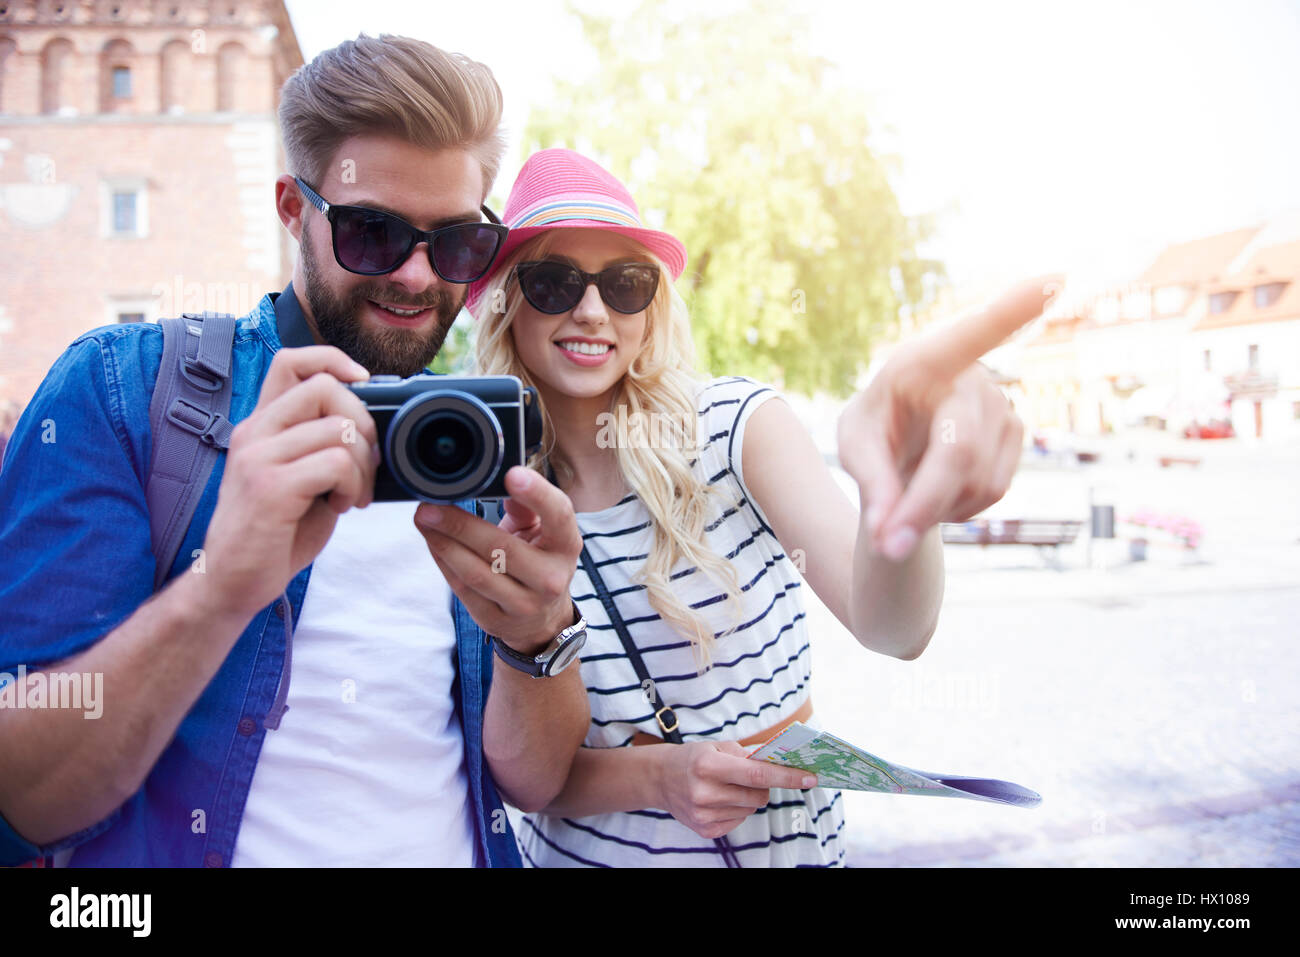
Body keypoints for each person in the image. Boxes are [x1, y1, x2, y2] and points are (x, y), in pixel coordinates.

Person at [0, 37, 590, 868]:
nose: (419, 277)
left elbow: (530, 780)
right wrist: (217, 593)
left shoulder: (477, 439)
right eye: (372, 233)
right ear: (291, 209)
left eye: (456, 242)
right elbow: (23, 796)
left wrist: (539, 635)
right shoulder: (119, 392)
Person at [466, 149, 1045, 866]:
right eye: (553, 282)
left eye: (625, 282)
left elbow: (893, 627)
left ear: (652, 306)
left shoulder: (737, 425)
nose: (592, 309)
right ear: (507, 303)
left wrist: (903, 506)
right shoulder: (481, 496)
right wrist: (660, 775)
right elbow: (528, 776)